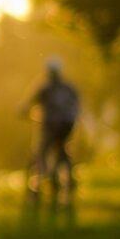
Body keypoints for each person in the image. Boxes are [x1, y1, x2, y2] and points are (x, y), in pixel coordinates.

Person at [27, 58, 80, 203]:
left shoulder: (45, 88)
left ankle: (43, 177)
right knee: (63, 148)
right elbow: (77, 104)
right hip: (67, 124)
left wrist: (23, 111)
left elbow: (29, 103)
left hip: (49, 124)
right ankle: (69, 175)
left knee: (42, 150)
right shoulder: (69, 87)